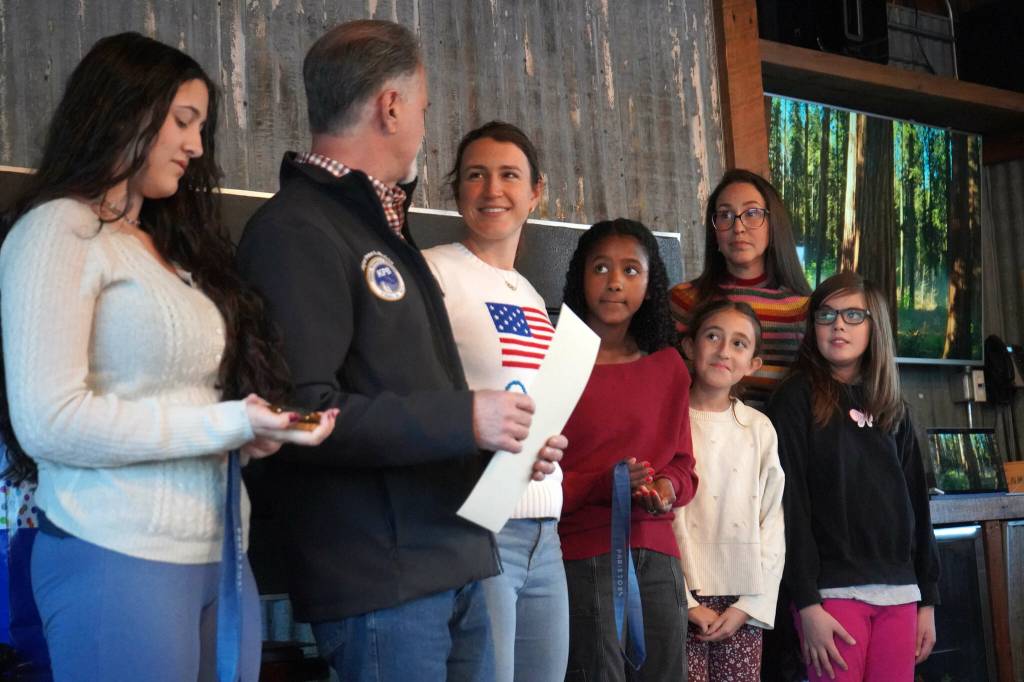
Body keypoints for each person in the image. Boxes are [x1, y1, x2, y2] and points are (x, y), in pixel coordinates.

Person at [0, 32, 336, 681]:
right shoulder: (56, 230)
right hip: (118, 554)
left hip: (221, 557)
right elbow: (48, 421)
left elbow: (182, 402)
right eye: (183, 122)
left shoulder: (160, 249)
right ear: (124, 112)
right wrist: (225, 425)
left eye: (200, 127)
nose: (196, 146)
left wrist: (255, 431)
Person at [235, 21, 565, 682]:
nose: (422, 126)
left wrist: (497, 447)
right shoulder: (295, 230)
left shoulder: (385, 229)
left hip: (454, 559)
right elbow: (297, 415)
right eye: (422, 108)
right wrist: (467, 419)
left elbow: (409, 399)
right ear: (391, 106)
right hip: (380, 583)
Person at [422, 121, 568, 682]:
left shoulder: (531, 295)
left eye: (510, 175)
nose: (492, 190)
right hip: (477, 526)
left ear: (536, 192)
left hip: (544, 532)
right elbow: (423, 399)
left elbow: (526, 404)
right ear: (457, 188)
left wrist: (550, 438)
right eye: (476, 175)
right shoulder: (434, 272)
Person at [765, 271, 939, 682]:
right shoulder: (794, 398)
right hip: (831, 595)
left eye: (852, 315)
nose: (838, 324)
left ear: (873, 325)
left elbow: (918, 504)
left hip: (900, 593)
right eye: (826, 315)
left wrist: (927, 600)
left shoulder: (893, 405)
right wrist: (807, 603)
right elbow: (789, 507)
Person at [558, 218, 699, 682]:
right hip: (582, 553)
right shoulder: (553, 362)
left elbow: (683, 465)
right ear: (581, 276)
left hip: (657, 554)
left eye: (630, 270)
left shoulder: (668, 367)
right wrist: (604, 484)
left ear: (650, 283)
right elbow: (534, 473)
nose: (615, 282)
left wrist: (663, 487)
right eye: (600, 268)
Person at [673, 299, 785, 681]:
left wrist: (748, 607)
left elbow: (773, 523)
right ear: (689, 346)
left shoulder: (759, 429)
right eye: (713, 337)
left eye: (739, 344)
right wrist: (684, 602)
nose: (723, 351)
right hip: (677, 593)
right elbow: (655, 518)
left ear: (754, 362)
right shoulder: (666, 419)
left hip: (742, 599)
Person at [669, 169, 811, 409]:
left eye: (752, 213)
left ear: (773, 223)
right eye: (725, 215)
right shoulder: (682, 301)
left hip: (776, 442)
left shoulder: (803, 310)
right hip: (696, 438)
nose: (738, 227)